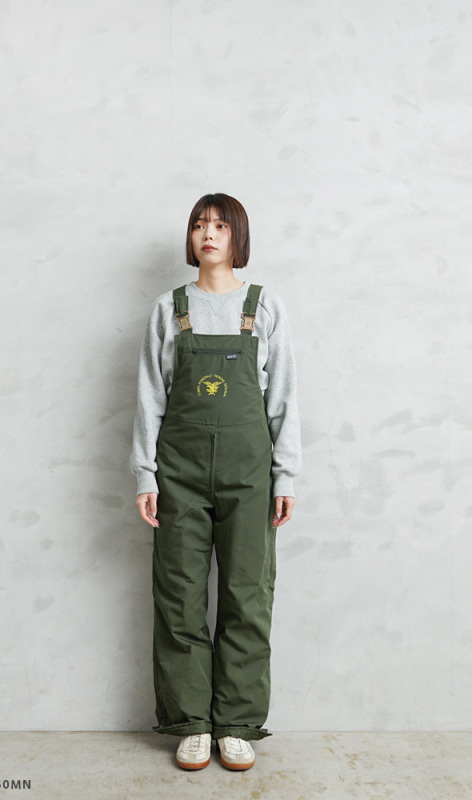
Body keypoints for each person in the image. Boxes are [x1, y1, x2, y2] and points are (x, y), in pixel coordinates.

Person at [130, 193, 302, 771]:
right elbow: (150, 398)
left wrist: (285, 476)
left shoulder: (265, 306)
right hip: (177, 474)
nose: (209, 234)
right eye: (200, 224)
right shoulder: (169, 309)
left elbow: (284, 398)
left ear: (237, 238)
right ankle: (191, 723)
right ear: (191, 237)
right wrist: (145, 473)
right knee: (179, 595)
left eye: (221, 226)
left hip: (250, 475)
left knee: (247, 596)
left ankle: (237, 724)